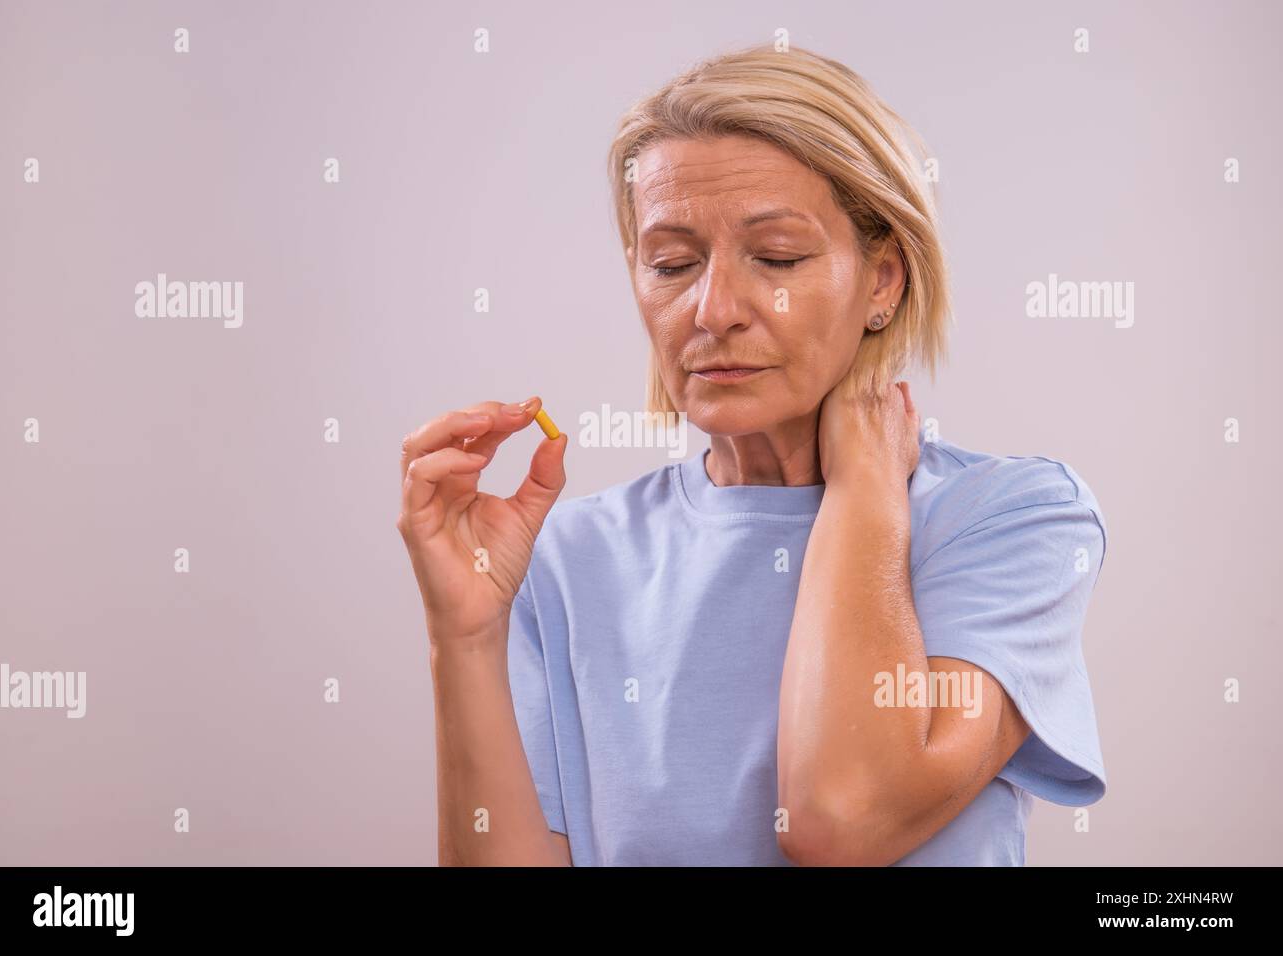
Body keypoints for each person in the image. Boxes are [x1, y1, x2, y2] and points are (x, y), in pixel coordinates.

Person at [397, 44, 1108, 866]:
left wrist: (867, 493)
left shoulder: (1010, 520)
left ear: (883, 279)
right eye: (672, 263)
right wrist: (468, 636)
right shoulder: (564, 556)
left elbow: (840, 820)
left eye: (776, 258)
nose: (715, 309)